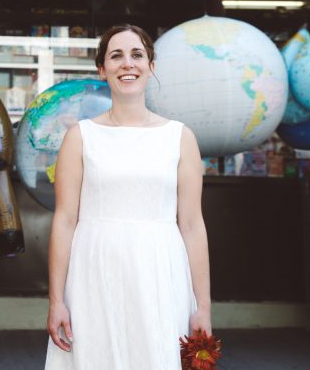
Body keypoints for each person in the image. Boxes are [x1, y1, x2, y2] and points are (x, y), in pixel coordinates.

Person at [46, 24, 212, 369]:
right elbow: (64, 220)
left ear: (151, 66)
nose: (128, 64)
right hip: (94, 273)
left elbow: (193, 225)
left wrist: (203, 306)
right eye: (116, 56)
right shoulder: (81, 137)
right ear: (101, 69)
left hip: (160, 274)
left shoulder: (180, 138)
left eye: (137, 55)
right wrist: (56, 299)